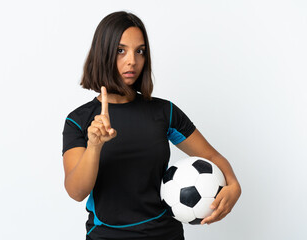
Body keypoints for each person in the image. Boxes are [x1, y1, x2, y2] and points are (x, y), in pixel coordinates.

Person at [62, 11, 241, 240]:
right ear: (103, 53)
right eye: (121, 50)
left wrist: (234, 185)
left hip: (164, 234)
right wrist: (94, 146)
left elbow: (212, 157)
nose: (132, 61)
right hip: (106, 236)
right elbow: (76, 191)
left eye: (140, 51)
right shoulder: (79, 120)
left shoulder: (164, 112)